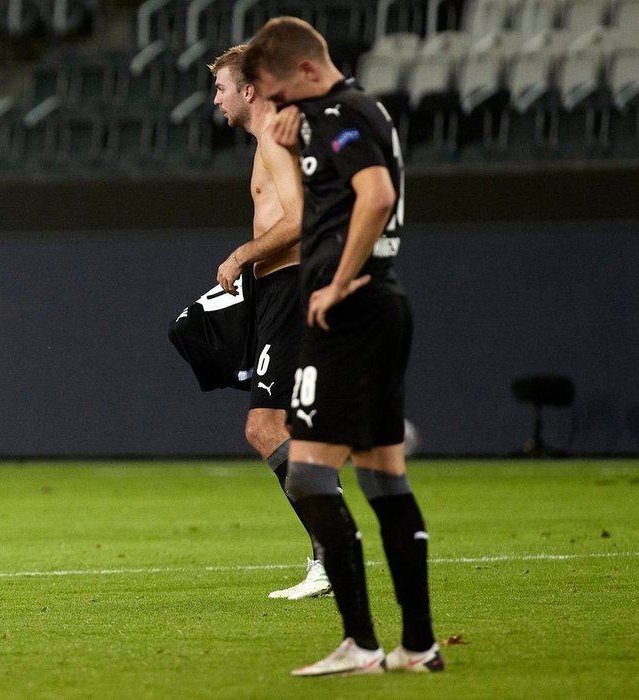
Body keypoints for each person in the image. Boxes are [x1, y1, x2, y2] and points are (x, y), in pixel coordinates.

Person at [241, 18, 444, 676]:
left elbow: (376, 196)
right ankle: (418, 646)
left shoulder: (337, 111)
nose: (278, 107)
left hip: (351, 311)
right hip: (383, 305)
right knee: (384, 475)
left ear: (304, 71)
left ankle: (360, 641)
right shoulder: (350, 109)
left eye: (277, 91)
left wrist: (335, 281)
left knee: (308, 472)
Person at [209, 45, 331, 600]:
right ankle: (330, 554)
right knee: (293, 427)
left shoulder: (277, 139)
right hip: (280, 286)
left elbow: (302, 221)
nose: (217, 99)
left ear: (249, 90)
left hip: (293, 284)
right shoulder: (273, 139)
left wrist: (241, 256)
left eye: (221, 88)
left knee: (266, 426)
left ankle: (333, 553)